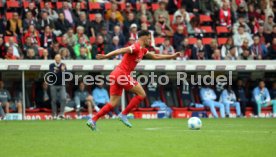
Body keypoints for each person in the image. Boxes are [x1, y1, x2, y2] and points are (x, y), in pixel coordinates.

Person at [86, 30, 180, 131]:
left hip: (116, 74)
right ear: (144, 38)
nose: (150, 41)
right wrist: (106, 56)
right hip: (121, 74)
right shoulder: (135, 47)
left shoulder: (143, 50)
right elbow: (121, 50)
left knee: (112, 103)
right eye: (149, 38)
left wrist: (172, 56)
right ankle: (124, 114)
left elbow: (155, 56)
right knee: (142, 94)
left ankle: (93, 120)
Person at [49, 54, 67, 119]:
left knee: (64, 98)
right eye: (56, 58)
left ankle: (61, 114)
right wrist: (57, 70)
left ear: (60, 59)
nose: (58, 59)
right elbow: (51, 74)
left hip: (62, 84)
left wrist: (62, 70)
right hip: (53, 85)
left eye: (59, 58)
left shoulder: (63, 65)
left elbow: (66, 76)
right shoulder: (51, 65)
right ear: (55, 58)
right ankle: (54, 114)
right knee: (54, 100)